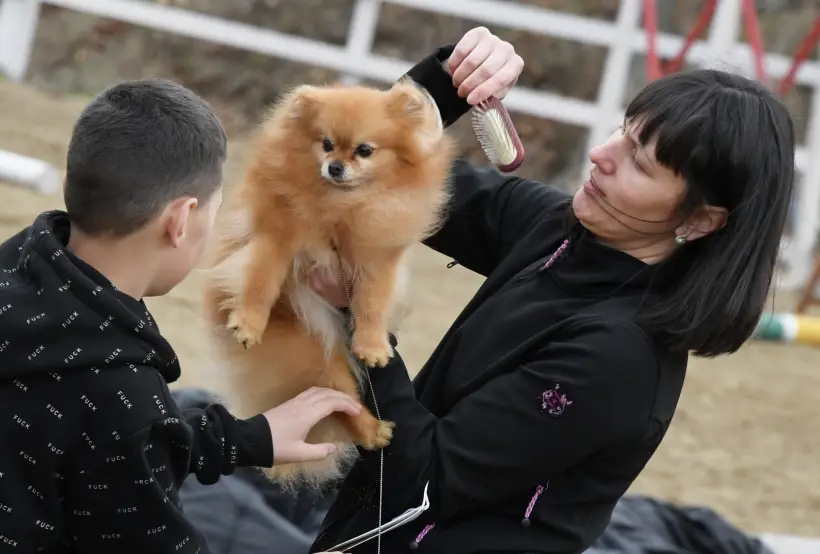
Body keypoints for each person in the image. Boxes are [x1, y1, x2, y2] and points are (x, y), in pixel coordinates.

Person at [309, 27, 795, 554]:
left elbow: (422, 479)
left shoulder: (617, 357)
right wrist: (451, 79)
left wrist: (363, 317)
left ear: (700, 221)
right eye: (621, 133)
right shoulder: (558, 229)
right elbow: (367, 176)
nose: (602, 155)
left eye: (639, 162)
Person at [0, 77, 375, 554]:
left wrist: (241, 440)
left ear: (71, 182)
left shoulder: (17, 274)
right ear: (180, 221)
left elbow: (99, 438)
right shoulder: (120, 391)